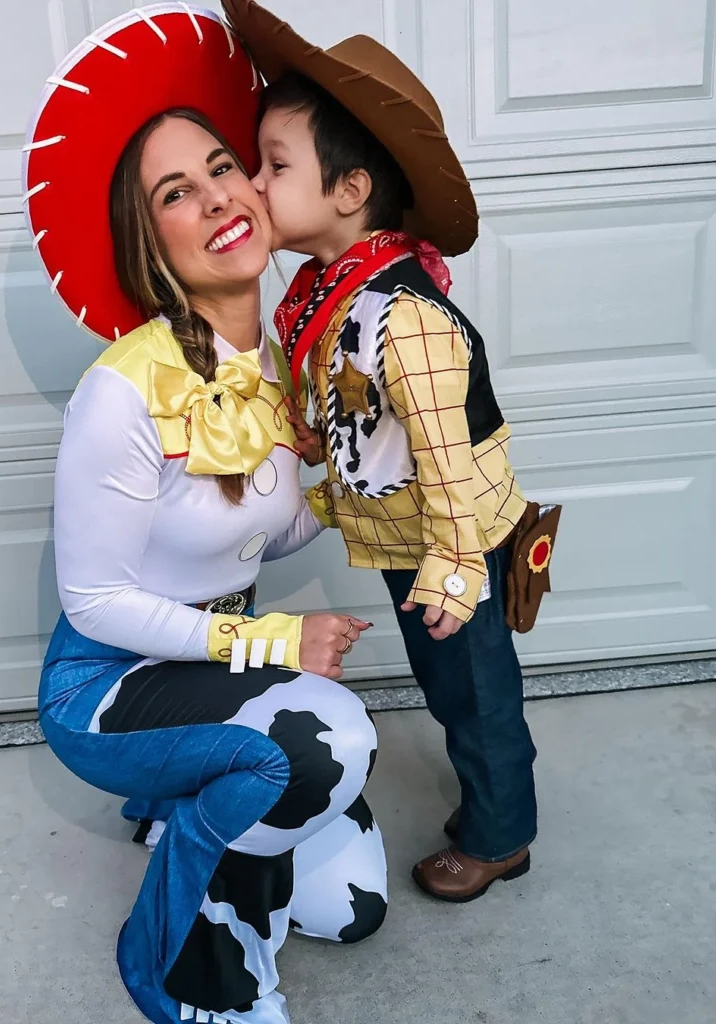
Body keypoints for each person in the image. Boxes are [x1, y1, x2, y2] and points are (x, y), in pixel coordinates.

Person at [23, 7, 387, 1024]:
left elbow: (266, 529)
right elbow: (95, 599)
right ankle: (173, 957)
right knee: (318, 750)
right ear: (154, 237)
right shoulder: (122, 391)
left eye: (225, 166)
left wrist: (374, 480)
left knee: (352, 906)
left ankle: (193, 804)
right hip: (108, 683)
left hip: (207, 661)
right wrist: (275, 636)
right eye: (176, 192)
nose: (219, 196)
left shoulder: (279, 356)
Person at [224, 0, 560, 904]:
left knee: (474, 691)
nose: (253, 184)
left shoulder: (403, 316)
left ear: (350, 189)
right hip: (408, 536)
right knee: (449, 682)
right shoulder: (332, 293)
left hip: (453, 540)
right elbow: (352, 416)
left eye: (274, 165)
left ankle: (500, 837)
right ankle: (494, 814)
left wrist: (455, 568)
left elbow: (444, 455)